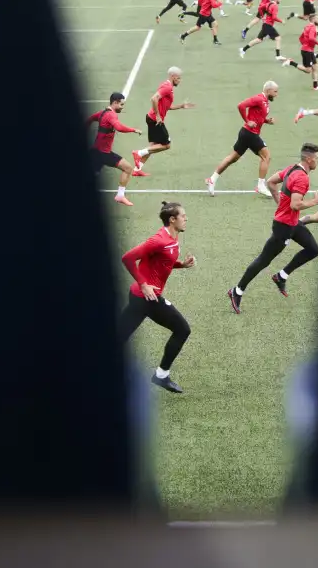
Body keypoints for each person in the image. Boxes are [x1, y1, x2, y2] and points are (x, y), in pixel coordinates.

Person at [227, 143, 318, 314]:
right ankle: (237, 291)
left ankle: (281, 276)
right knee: (264, 260)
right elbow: (295, 205)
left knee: (313, 249)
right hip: (284, 227)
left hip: (292, 223)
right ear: (309, 159)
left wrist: (280, 203)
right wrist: (314, 202)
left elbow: (271, 182)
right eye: (317, 158)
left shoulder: (292, 168)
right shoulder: (302, 178)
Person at [119, 202, 196, 394]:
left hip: (139, 296)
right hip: (147, 298)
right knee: (182, 329)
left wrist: (181, 265)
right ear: (172, 219)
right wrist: (144, 284)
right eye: (183, 216)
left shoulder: (172, 238)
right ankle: (161, 375)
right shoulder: (158, 240)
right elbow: (127, 258)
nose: (186, 219)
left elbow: (164, 262)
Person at [205, 81, 279, 197]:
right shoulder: (259, 99)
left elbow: (258, 115)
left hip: (246, 134)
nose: (276, 94)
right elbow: (241, 106)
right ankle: (260, 185)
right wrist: (247, 121)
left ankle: (212, 179)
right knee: (266, 157)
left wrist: (266, 121)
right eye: (275, 91)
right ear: (268, 90)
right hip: (250, 134)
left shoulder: (265, 101)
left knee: (232, 158)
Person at [131, 67, 195, 177]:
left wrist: (181, 106)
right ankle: (138, 153)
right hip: (155, 120)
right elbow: (154, 99)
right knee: (166, 145)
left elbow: (167, 106)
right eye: (179, 78)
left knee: (152, 146)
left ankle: (137, 169)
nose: (180, 80)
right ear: (173, 76)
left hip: (151, 118)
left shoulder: (167, 86)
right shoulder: (167, 87)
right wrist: (158, 116)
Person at [86, 92, 143, 207]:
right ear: (115, 102)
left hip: (97, 151)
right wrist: (133, 130)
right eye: (121, 104)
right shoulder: (111, 115)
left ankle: (120, 196)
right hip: (103, 154)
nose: (122, 107)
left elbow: (90, 119)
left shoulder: (102, 113)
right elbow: (119, 127)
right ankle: (120, 196)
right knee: (128, 168)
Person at [281, 13, 318, 91]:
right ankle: (291, 62)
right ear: (313, 19)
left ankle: (315, 86)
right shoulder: (313, 27)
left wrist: (305, 45)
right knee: (308, 70)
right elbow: (311, 38)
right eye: (317, 18)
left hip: (307, 50)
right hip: (308, 51)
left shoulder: (307, 26)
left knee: (315, 67)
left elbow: (301, 38)